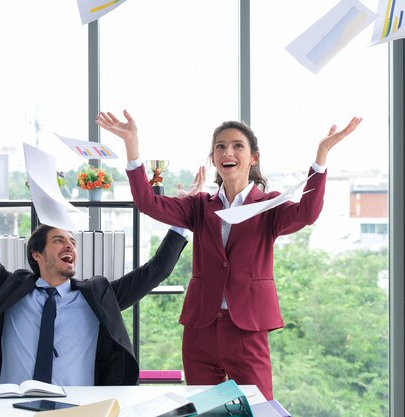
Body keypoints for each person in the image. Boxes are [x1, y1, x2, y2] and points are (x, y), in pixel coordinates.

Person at [96, 109, 362, 400]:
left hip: (247, 330)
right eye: (220, 146)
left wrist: (321, 155)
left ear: (253, 158)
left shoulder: (269, 207)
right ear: (213, 159)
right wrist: (132, 146)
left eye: (237, 145)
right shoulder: (199, 206)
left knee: (258, 408)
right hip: (201, 329)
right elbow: (148, 203)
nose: (227, 151)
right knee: (208, 410)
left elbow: (308, 213)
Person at [0, 132, 189, 387]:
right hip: (12, 408)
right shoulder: (12, 288)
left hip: (76, 409)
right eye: (59, 240)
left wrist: (182, 221)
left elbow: (156, 270)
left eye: (72, 242)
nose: (69, 246)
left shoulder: (99, 295)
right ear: (36, 254)